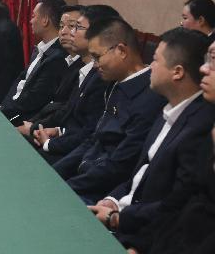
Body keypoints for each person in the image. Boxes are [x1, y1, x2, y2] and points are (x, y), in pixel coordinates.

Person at [87, 28, 215, 242]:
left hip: (143, 233)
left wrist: (117, 219)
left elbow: (177, 208)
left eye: (155, 60)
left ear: (177, 72)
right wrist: (112, 200)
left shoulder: (200, 127)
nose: (150, 67)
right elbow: (139, 175)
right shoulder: (167, 110)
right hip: (123, 213)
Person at [52, 17, 165, 203]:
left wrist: (66, 186)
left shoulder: (149, 98)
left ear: (121, 51)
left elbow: (120, 165)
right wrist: (55, 174)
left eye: (97, 57)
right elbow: (94, 139)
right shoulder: (114, 84)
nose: (95, 65)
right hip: (84, 175)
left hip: (103, 193)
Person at [29, 5, 117, 162]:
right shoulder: (85, 69)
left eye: (77, 27)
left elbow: (89, 133)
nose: (70, 33)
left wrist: (49, 141)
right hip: (63, 139)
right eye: (65, 26)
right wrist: (58, 131)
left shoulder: (102, 77)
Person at [0, 0, 68, 125]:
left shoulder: (57, 57)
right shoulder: (39, 49)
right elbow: (20, 81)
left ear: (45, 20)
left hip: (28, 119)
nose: (30, 21)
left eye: (33, 16)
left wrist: (4, 111)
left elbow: (34, 98)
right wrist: (3, 106)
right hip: (12, 109)